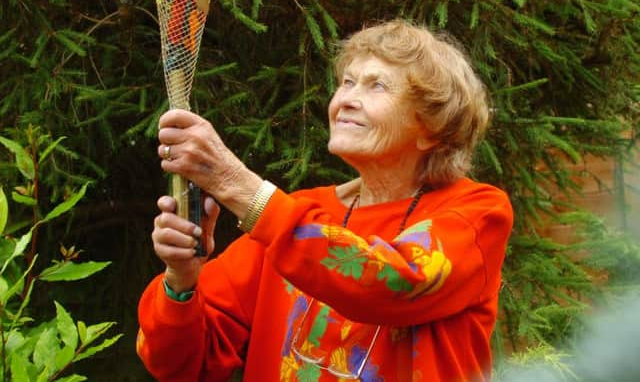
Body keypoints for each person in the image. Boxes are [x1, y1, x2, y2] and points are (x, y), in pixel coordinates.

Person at [137, 19, 514, 382]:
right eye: (347, 82)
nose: (347, 99)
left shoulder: (476, 212)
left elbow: (389, 281)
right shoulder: (291, 217)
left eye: (377, 86)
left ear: (433, 127)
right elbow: (180, 365)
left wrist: (237, 184)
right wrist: (181, 279)